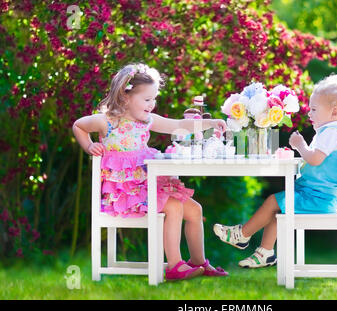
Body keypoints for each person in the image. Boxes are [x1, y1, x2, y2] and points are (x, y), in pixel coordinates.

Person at [73, 63, 228, 280]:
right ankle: (175, 265)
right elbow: (78, 125)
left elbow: (178, 125)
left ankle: (198, 262)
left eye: (154, 99)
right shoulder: (107, 121)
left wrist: (210, 123)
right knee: (174, 207)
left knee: (194, 209)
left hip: (148, 187)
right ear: (126, 97)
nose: (152, 104)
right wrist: (89, 146)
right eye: (147, 100)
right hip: (125, 196)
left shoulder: (146, 121)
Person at [213, 74, 337, 268]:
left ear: (334, 112)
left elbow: (315, 159)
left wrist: (300, 146)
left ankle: (242, 235)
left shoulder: (332, 132)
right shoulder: (333, 132)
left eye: (314, 109)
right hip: (316, 196)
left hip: (318, 199)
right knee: (278, 208)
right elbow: (317, 160)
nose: (310, 114)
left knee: (273, 201)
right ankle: (265, 253)